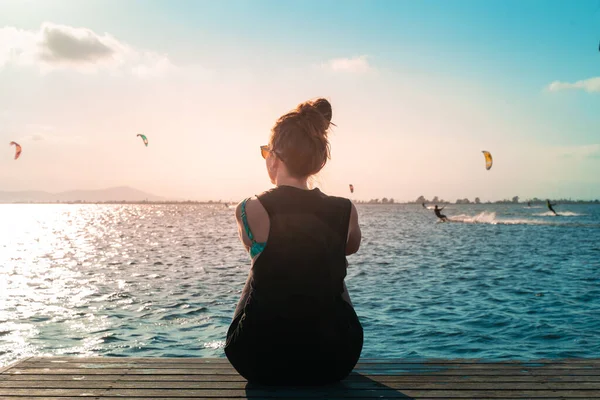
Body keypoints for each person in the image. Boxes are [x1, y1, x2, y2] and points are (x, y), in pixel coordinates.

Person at [224, 98, 363, 386]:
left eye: (266, 153)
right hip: (335, 359)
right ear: (315, 161)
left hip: (258, 359)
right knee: (329, 257)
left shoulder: (249, 208)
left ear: (274, 157)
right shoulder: (345, 209)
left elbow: (254, 252)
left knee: (261, 261)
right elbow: (349, 248)